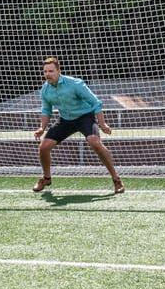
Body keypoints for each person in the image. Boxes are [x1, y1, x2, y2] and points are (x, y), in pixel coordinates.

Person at [32, 56, 124, 195]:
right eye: (45, 71)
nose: (47, 74)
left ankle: (117, 180)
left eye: (51, 71)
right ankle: (46, 178)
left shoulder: (75, 84)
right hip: (65, 120)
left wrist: (102, 123)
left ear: (58, 71)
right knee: (43, 147)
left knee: (95, 143)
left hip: (84, 117)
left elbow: (96, 103)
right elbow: (46, 110)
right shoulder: (45, 90)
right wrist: (41, 128)